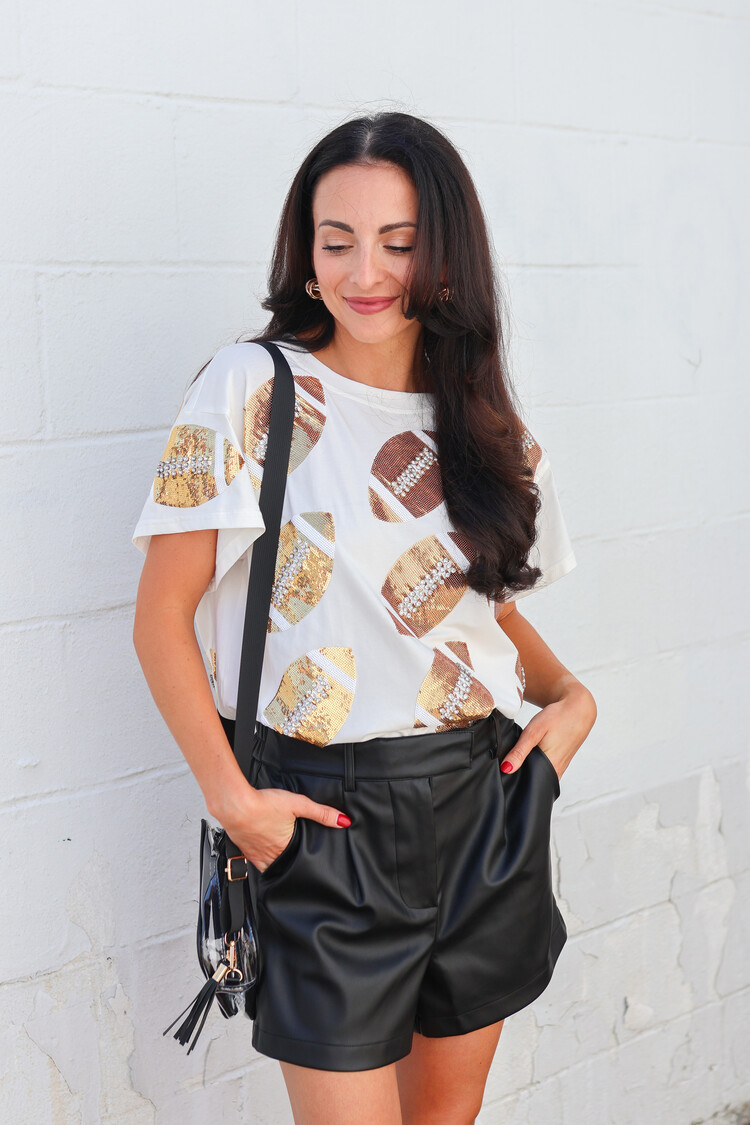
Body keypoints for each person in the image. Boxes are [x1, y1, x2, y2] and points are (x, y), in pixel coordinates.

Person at [132, 110, 597, 1125]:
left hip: (480, 805)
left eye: (398, 241)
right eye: (336, 241)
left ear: (447, 256)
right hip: (323, 822)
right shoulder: (252, 389)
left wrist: (571, 701)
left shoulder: (486, 424)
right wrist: (234, 801)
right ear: (305, 254)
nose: (365, 272)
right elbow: (161, 619)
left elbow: (480, 614)